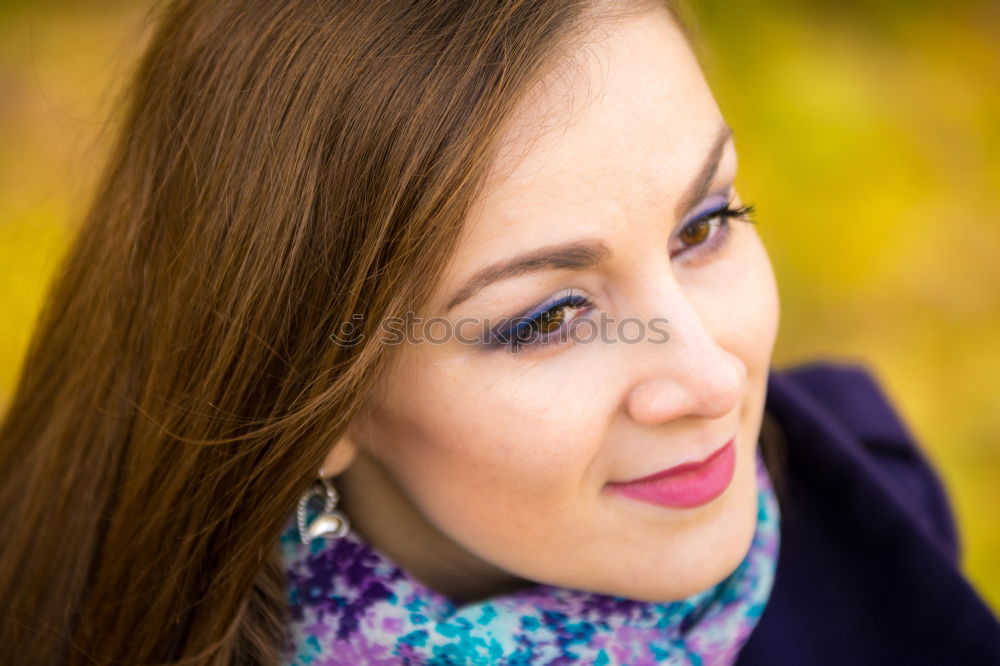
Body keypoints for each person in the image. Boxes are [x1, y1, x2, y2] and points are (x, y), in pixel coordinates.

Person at [0, 0, 998, 664]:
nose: (709, 374)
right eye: (550, 317)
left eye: (704, 226)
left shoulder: (870, 495)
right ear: (316, 397)